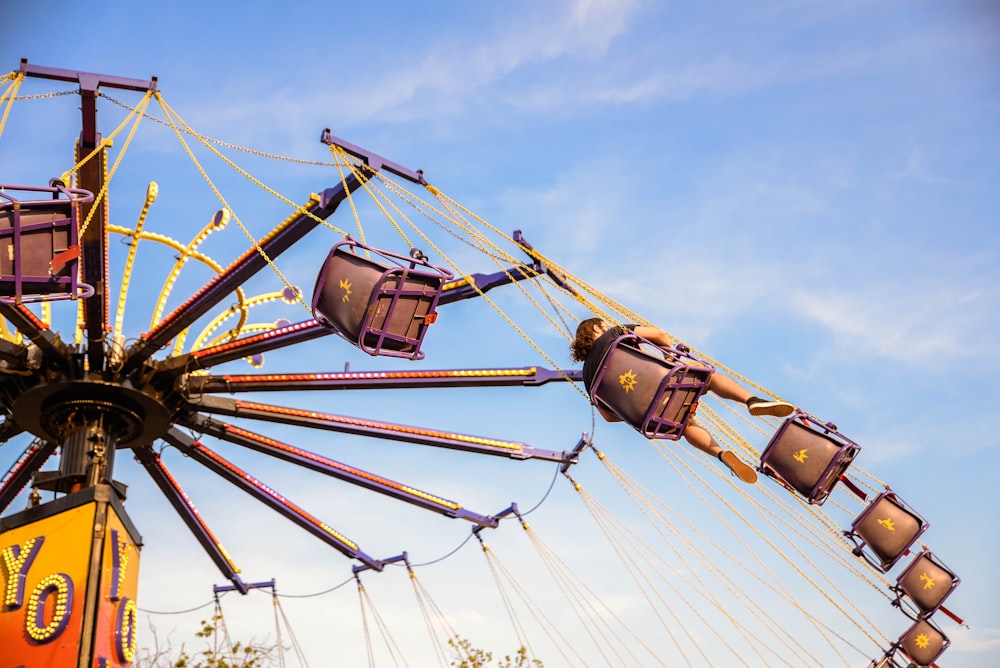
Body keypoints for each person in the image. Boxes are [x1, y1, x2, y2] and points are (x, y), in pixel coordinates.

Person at [570, 317, 795, 484]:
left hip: (651, 412)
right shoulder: (613, 333)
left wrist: (635, 408)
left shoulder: (588, 379)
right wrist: (669, 356)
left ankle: (720, 453)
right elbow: (658, 335)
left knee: (686, 426)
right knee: (708, 377)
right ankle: (751, 400)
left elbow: (608, 417)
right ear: (597, 328)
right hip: (666, 383)